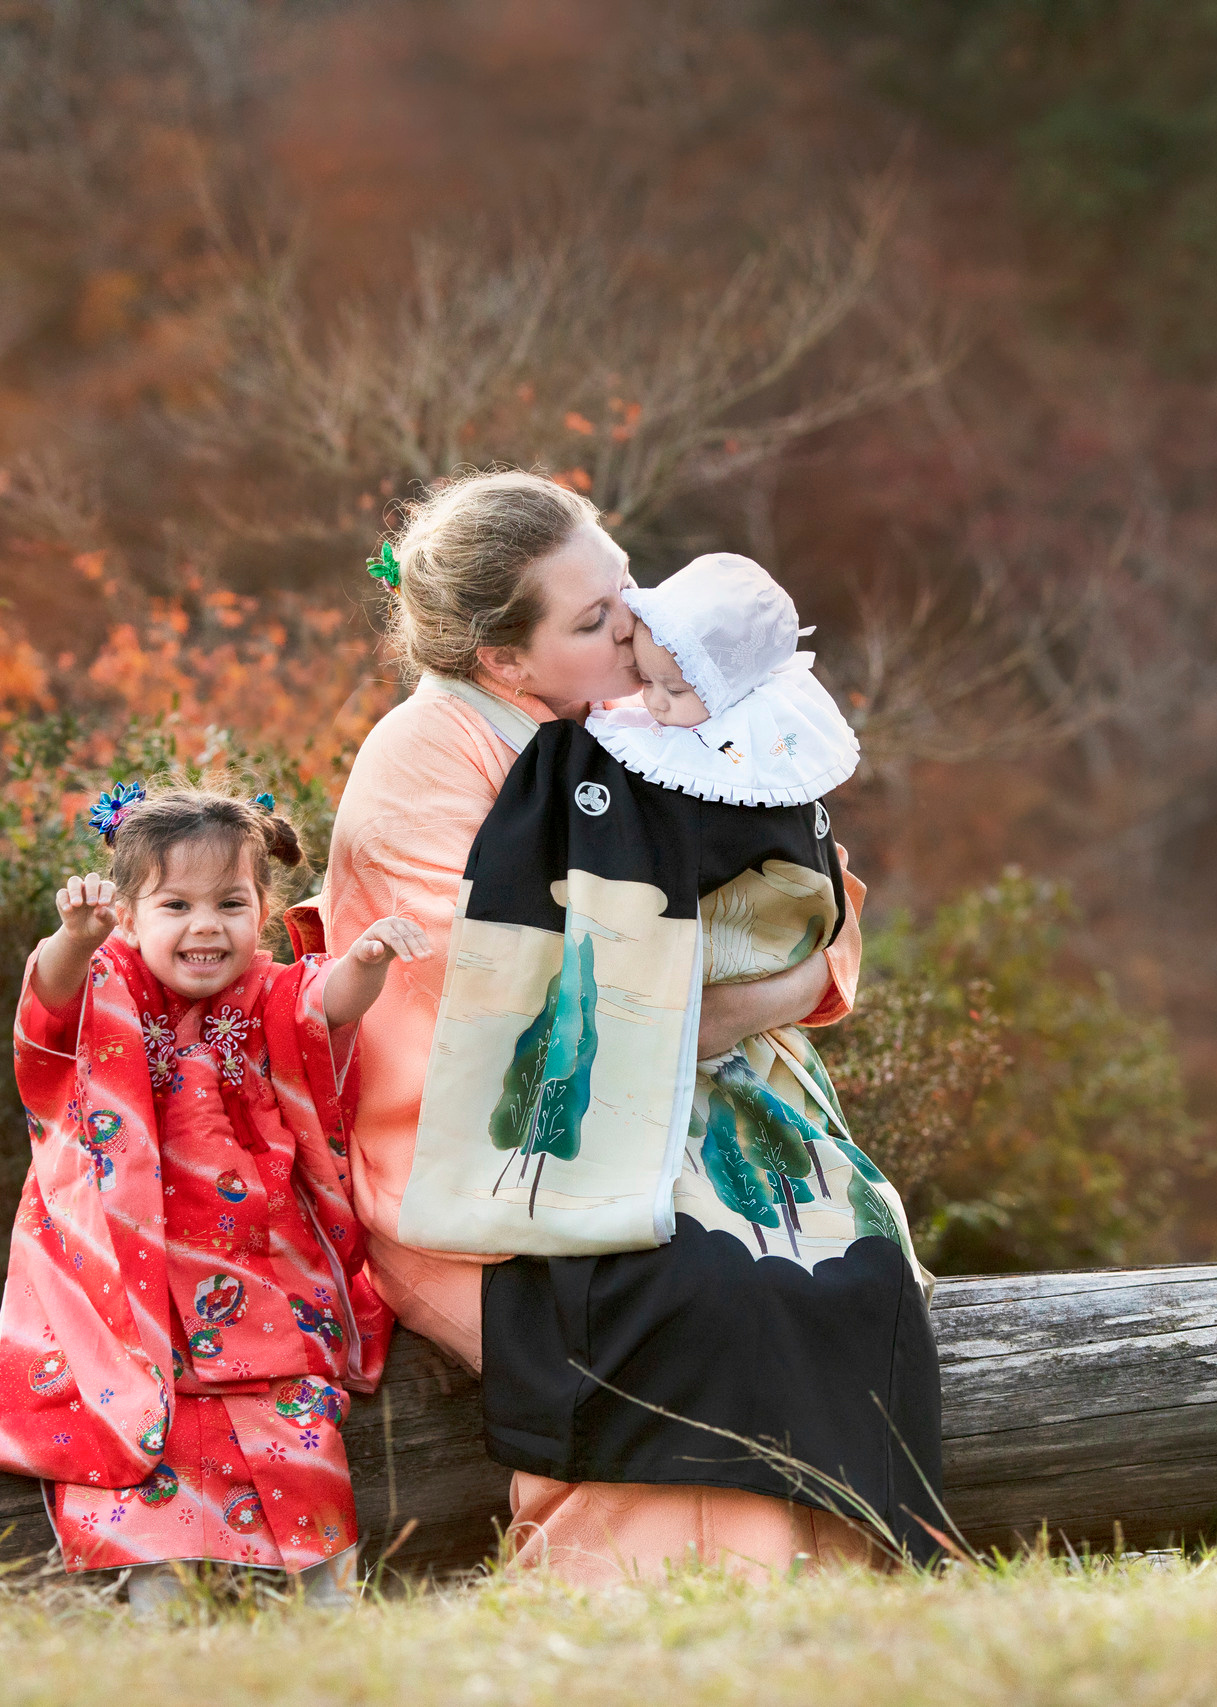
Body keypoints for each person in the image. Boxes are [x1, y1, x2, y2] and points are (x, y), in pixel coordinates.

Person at [317, 472, 936, 1584]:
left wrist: (786, 982)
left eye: (628, 591)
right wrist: (769, 993)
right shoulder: (423, 760)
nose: (635, 627)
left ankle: (835, 1583)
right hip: (498, 1158)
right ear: (505, 662)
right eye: (595, 620)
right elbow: (523, 1001)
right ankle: (650, 1600)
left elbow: (819, 895)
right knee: (687, 1289)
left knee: (844, 1265)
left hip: (704, 1107)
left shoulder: (657, 715)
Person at [0, 778, 430, 1614]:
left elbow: (322, 1005)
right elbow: (47, 1010)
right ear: (128, 913)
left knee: (296, 1416)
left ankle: (328, 1592)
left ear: (262, 907)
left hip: (258, 1260)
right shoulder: (106, 980)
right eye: (175, 904)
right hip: (134, 1275)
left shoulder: (262, 988)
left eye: (229, 901)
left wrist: (366, 963)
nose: (205, 925)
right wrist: (72, 939)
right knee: (160, 1437)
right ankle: (161, 1597)